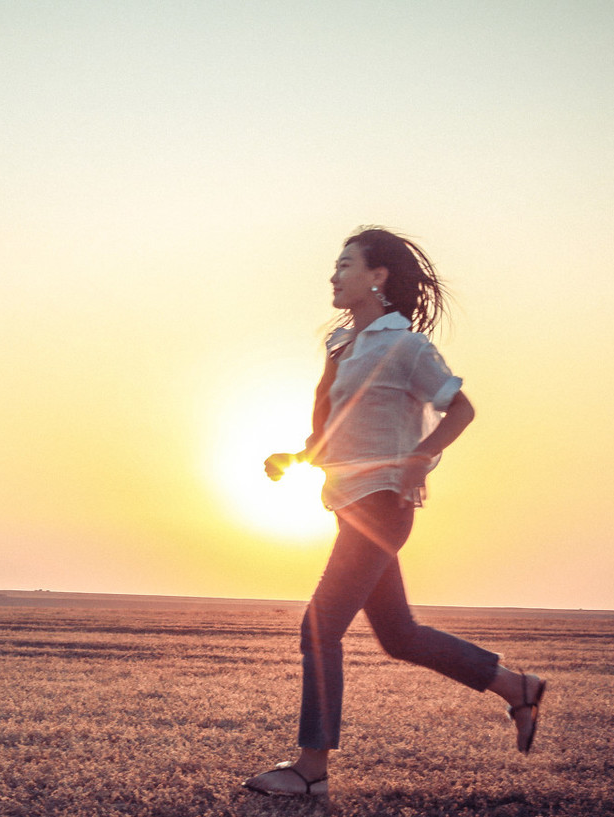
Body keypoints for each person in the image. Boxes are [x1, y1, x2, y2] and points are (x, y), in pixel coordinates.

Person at [242, 227, 546, 798]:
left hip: (383, 505)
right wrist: (298, 456)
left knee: (320, 626)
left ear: (377, 276)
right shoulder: (344, 348)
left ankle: (310, 771)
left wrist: (419, 458)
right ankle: (516, 686)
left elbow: (461, 409)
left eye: (345, 264)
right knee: (399, 636)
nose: (334, 275)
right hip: (349, 503)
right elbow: (336, 427)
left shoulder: (406, 347)